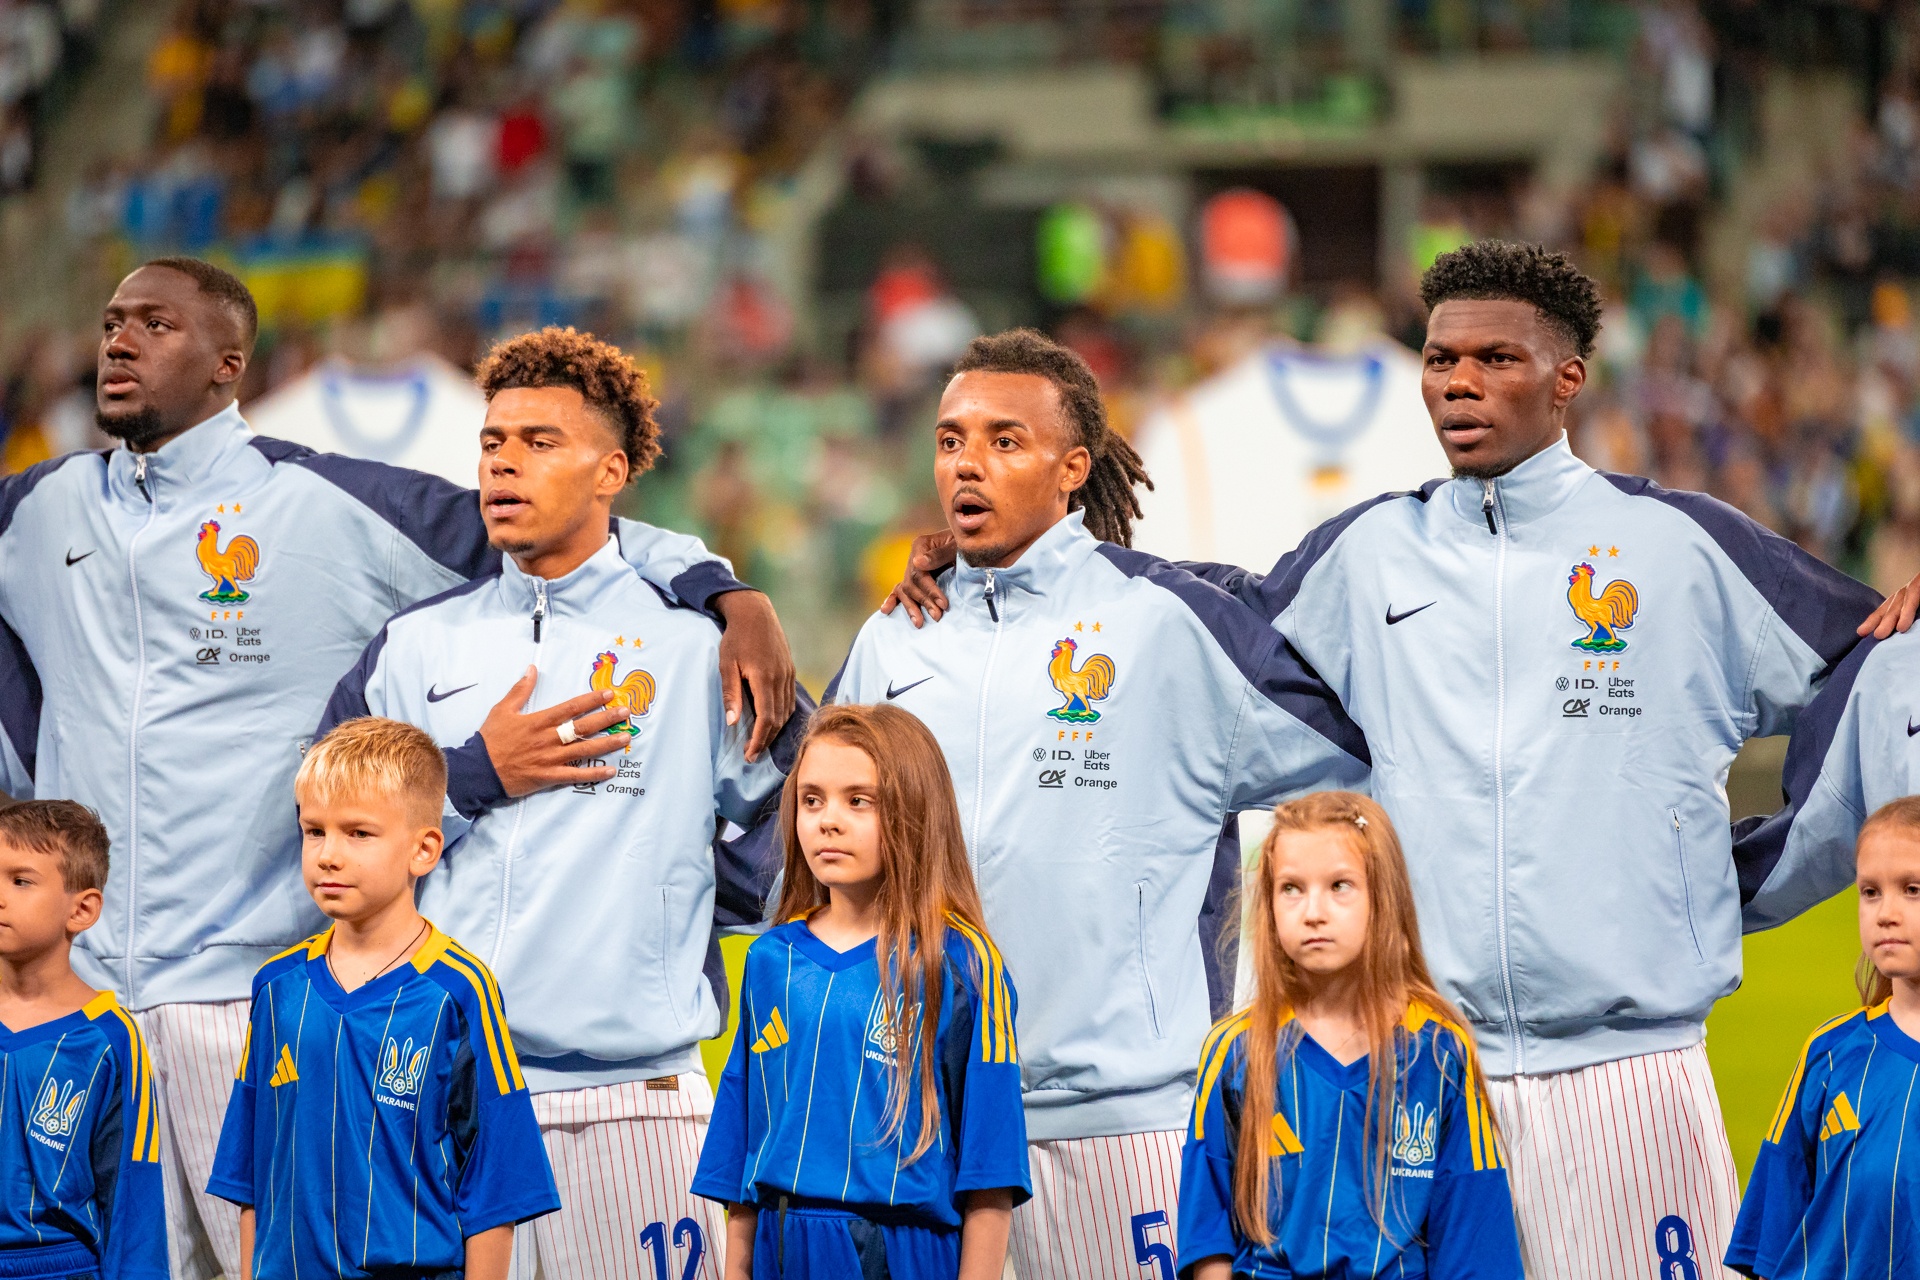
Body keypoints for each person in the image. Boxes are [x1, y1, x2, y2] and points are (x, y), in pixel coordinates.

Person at [883, 244, 1920, 1279]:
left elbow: (1871, 659)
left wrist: (1746, 874)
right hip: (1413, 1069)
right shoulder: (1369, 554)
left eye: (1496, 359)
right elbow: (1197, 627)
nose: (1459, 383)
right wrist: (1002, 561)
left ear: (1568, 377)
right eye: (1439, 359)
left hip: (1630, 1075)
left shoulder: (1680, 547)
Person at [0, 258, 793, 1278]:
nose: (119, 340)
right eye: (113, 320)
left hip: (273, 1004)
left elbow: (563, 534)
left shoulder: (334, 505)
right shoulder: (39, 512)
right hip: (107, 1007)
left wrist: (723, 593)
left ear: (229, 361)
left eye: (156, 323)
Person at [829, 329, 1369, 1279]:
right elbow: (813, 842)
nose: (967, 464)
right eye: (951, 440)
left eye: (1005, 440)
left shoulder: (1164, 622)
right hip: (922, 1132)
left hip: (1124, 1126)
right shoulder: (897, 637)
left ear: (1073, 468)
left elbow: (1360, 749)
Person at [317, 326, 809, 1280]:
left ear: (611, 472)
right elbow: (327, 830)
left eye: (541, 442)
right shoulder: (414, 647)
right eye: (493, 442)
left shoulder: (694, 647)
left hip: (635, 1103)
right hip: (436, 1096)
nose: (503, 462)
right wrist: (474, 775)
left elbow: (805, 812)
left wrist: (693, 892)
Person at [206, 717, 558, 1280]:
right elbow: (251, 1176)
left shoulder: (459, 990)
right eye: (314, 831)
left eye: (358, 833)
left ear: (423, 849)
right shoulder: (276, 987)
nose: (328, 854)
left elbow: (495, 1187)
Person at [691, 703, 1029, 1280]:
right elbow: (743, 1149)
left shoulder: (962, 964)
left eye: (858, 801)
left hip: (904, 1252)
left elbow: (991, 1172)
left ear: (914, 811)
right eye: (812, 799)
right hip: (784, 1245)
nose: (828, 820)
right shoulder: (772, 960)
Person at [1178, 792, 1518, 1279]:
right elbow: (1206, 1236)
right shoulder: (1234, 1049)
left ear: (1383, 897)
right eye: (1291, 888)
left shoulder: (1440, 1052)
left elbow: (1474, 1239)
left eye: (1339, 885)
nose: (1313, 911)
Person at [1725, 796, 1920, 1277]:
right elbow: (1769, 1242)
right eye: (1870, 891)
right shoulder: (1830, 1054)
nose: (1886, 913)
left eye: (1912, 889)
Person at [0, 801, 165, 1280]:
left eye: (21, 881)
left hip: (60, 1266)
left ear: (82, 909)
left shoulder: (110, 1039)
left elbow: (133, 1194)